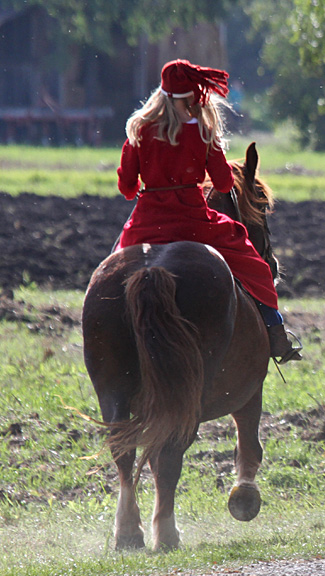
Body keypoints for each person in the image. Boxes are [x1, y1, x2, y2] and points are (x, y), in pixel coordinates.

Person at [114, 59, 302, 364]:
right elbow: (225, 182)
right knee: (257, 268)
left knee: (111, 270)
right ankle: (276, 332)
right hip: (194, 222)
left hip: (145, 224)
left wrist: (150, 184)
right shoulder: (202, 132)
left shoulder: (138, 131)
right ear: (192, 97)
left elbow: (126, 188)